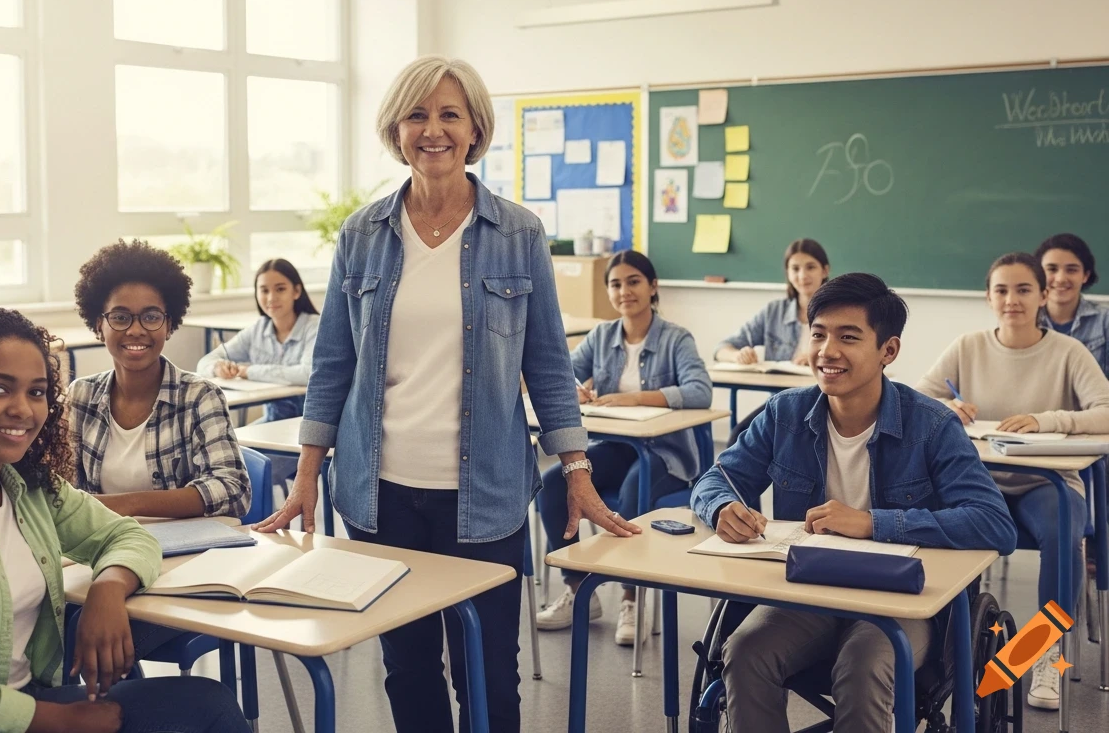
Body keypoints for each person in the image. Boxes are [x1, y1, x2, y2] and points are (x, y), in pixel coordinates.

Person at [256, 55, 635, 733]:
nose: (434, 130)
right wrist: (307, 475)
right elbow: (333, 364)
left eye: (450, 114)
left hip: (485, 496)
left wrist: (576, 472)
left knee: (488, 671)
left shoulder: (517, 233)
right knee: (407, 669)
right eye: (418, 115)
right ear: (396, 129)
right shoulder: (363, 235)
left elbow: (547, 366)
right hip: (379, 492)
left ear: (475, 129)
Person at [0, 307, 248, 733]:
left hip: (32, 696)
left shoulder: (26, 485)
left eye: (36, 392)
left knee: (209, 703)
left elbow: (125, 534)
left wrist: (109, 587)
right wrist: (59, 719)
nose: (23, 409)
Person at [693, 273, 1016, 733]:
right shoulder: (784, 413)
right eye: (819, 334)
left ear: (889, 351)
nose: (827, 351)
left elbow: (993, 524)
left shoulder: (932, 426)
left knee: (864, 662)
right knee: (745, 649)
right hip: (806, 592)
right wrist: (723, 507)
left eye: (848, 337)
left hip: (902, 600)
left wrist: (873, 523)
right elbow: (713, 480)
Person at [915, 251, 1109, 710]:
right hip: (979, 482)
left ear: (1043, 295)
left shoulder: (1067, 351)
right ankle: (945, 651)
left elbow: (1105, 410)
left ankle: (1043, 653)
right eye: (1001, 290)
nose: (1012, 300)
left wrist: (1047, 420)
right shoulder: (968, 346)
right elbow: (918, 396)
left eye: (1023, 289)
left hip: (1048, 484)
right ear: (987, 297)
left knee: (1064, 535)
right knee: (935, 524)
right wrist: (948, 408)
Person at [536, 250, 712, 644]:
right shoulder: (601, 336)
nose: (624, 291)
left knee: (635, 487)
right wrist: (575, 392)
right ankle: (579, 587)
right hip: (615, 447)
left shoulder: (675, 338)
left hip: (666, 454)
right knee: (552, 483)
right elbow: (558, 375)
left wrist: (634, 398)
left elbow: (700, 391)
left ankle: (631, 596)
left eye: (634, 281)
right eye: (615, 284)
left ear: (652, 287)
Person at [68, 240, 250, 520]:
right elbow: (61, 492)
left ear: (169, 325)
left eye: (151, 317)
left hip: (184, 553)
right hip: (102, 546)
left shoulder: (199, 397)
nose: (136, 330)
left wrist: (127, 505)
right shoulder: (80, 396)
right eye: (120, 317)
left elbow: (233, 490)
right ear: (98, 326)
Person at [197, 257, 319, 483]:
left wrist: (248, 370)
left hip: (307, 432)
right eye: (263, 290)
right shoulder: (257, 330)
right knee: (218, 459)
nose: (271, 298)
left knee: (245, 478)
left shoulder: (315, 326)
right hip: (271, 426)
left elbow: (307, 374)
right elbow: (205, 362)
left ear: (296, 291)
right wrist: (219, 366)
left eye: (280, 289)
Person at [713, 239, 830, 436]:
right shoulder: (773, 312)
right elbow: (721, 348)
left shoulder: (837, 313)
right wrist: (738, 355)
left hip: (825, 401)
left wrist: (816, 356)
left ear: (825, 271)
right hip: (784, 402)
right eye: (795, 268)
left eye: (810, 267)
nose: (803, 275)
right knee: (740, 435)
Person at [1035, 233, 1108, 377]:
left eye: (1071, 270)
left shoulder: (1105, 321)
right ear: (1038, 274)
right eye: (1052, 269)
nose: (1061, 278)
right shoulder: (1025, 320)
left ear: (1085, 275)